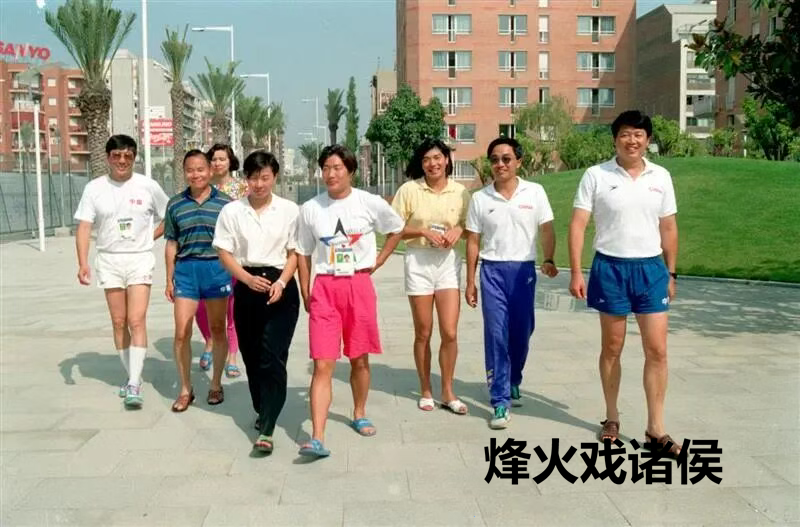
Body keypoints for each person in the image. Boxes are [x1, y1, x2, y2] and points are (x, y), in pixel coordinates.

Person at [567, 110, 681, 457]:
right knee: (612, 347)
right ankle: (612, 417)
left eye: (639, 135)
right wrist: (576, 272)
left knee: (657, 350)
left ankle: (655, 429)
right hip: (610, 268)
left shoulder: (661, 176)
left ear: (648, 140)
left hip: (651, 270)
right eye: (625, 134)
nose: (632, 141)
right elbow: (578, 225)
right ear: (615, 139)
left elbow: (668, 227)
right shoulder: (596, 175)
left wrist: (671, 272)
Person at [295, 144, 405, 458]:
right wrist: (306, 290)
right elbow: (302, 252)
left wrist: (379, 260)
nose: (330, 174)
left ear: (351, 171)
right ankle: (317, 436)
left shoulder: (368, 202)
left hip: (358, 285)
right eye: (326, 168)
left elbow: (396, 228)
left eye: (337, 168)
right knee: (323, 362)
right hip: (325, 288)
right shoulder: (311, 209)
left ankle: (359, 412)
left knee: (359, 357)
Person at [465, 137, 558, 429]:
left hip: (523, 272)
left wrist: (549, 258)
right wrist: (470, 281)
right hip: (492, 271)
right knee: (496, 334)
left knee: (522, 332)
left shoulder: (535, 192)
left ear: (519, 161)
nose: (500, 164)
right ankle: (500, 400)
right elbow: (473, 241)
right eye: (494, 159)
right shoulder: (480, 198)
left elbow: (547, 228)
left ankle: (513, 378)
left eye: (506, 159)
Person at [214, 151, 301, 453]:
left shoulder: (289, 210)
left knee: (272, 355)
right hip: (247, 283)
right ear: (245, 179)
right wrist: (246, 279)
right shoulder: (232, 211)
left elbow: (294, 253)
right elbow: (224, 252)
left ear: (275, 177)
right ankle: (263, 407)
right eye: (253, 178)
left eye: (265, 177)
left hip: (280, 286)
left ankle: (267, 428)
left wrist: (282, 282)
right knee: (252, 356)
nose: (259, 184)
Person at [74, 134, 169, 409]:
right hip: (109, 259)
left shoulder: (148, 186)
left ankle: (135, 383)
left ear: (134, 158)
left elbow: (170, 215)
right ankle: (131, 375)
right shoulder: (94, 188)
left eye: (128, 155)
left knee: (136, 320)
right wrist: (83, 262)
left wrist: (149, 237)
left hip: (139, 259)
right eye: (116, 155)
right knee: (119, 321)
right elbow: (84, 226)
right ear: (108, 158)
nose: (122, 161)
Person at [391, 138, 471, 414]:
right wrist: (422, 231)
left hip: (447, 262)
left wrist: (458, 230)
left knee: (449, 331)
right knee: (423, 331)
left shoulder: (460, 192)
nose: (433, 164)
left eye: (437, 158)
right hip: (419, 261)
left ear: (447, 160)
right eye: (426, 159)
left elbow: (470, 226)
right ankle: (425, 389)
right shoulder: (409, 190)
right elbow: (393, 228)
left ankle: (448, 391)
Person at [164, 149, 233, 412]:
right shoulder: (175, 204)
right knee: (181, 332)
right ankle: (185, 389)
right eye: (190, 170)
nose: (196, 174)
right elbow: (171, 243)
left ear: (210, 170)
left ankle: (216, 384)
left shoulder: (226, 204)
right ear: (184, 173)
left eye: (201, 169)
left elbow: (235, 241)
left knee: (217, 329)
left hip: (216, 269)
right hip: (186, 271)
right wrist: (169, 278)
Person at [194, 144, 245, 377]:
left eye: (222, 159)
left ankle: (232, 356)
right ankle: (210, 341)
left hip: (231, 256)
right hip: (203, 255)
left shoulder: (242, 188)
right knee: (201, 307)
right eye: (213, 159)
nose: (217, 163)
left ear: (230, 161)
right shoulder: (200, 186)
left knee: (231, 309)